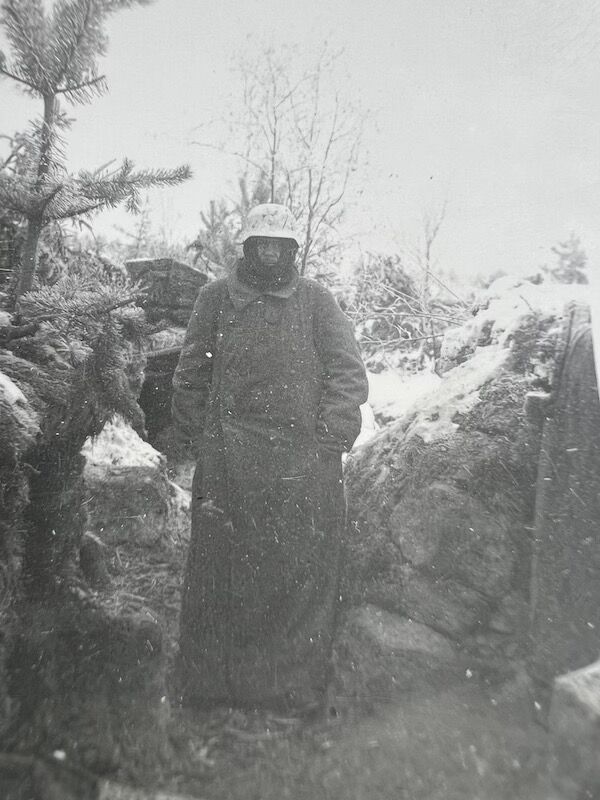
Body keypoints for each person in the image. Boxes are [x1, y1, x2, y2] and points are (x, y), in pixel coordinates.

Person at [172, 203, 368, 713]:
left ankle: (286, 690)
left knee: (295, 573)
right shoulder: (215, 299)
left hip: (301, 464)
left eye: (279, 245)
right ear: (247, 248)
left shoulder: (316, 302)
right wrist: (206, 442)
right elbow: (190, 375)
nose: (270, 252)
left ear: (291, 251)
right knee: (221, 572)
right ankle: (212, 687)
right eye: (261, 243)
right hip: (229, 464)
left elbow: (347, 373)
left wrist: (331, 438)